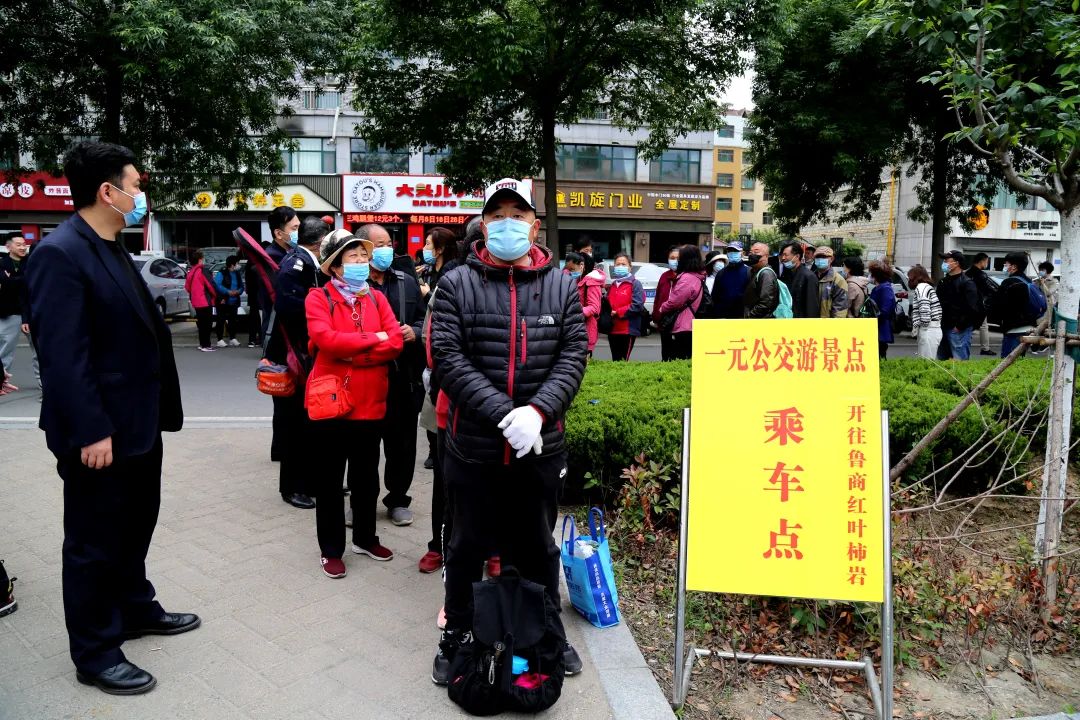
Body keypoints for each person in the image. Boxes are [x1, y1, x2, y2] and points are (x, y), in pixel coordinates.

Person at [26, 140, 195, 695]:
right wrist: (92, 429)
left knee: (135, 524)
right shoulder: (60, 253)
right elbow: (63, 356)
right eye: (136, 184)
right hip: (99, 433)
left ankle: (135, 607)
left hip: (137, 424)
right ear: (108, 191)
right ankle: (95, 651)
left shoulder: (110, 246)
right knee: (93, 541)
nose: (141, 194)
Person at [430, 178, 588, 685]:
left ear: (534, 226)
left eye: (517, 215)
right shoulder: (456, 283)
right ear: (483, 224)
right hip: (473, 447)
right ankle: (456, 635)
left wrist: (537, 412)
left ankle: (547, 636)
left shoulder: (562, 285)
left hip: (540, 448)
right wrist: (506, 415)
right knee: (465, 548)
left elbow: (573, 355)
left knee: (538, 548)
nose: (507, 224)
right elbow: (447, 358)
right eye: (497, 215)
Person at [306, 232, 404, 578]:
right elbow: (326, 340)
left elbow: (395, 342)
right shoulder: (318, 298)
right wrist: (373, 341)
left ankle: (365, 538)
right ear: (335, 266)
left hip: (370, 402)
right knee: (330, 481)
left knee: (366, 478)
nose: (361, 262)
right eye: (353, 257)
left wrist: (354, 354)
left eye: (364, 255)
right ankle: (331, 549)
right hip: (331, 403)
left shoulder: (377, 298)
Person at [419, 219, 479, 577]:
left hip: (501, 412)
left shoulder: (526, 285)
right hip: (447, 401)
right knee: (447, 482)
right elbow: (433, 345)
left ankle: (492, 550)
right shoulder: (451, 284)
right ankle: (439, 546)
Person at [359, 223, 426, 527]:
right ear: (363, 249)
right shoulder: (353, 285)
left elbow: (425, 319)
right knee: (364, 447)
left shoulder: (406, 282)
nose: (387, 250)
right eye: (380, 245)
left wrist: (416, 331)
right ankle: (361, 502)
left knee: (402, 445)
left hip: (403, 379)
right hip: (365, 378)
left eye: (389, 243)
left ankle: (398, 499)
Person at [271, 215, 330, 510]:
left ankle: (312, 481)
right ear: (320, 242)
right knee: (295, 424)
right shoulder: (296, 264)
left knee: (310, 423)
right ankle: (292, 487)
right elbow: (288, 308)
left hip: (307, 354)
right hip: (295, 354)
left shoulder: (309, 262)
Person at [264, 206, 300, 463]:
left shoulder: (286, 255)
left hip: (284, 335)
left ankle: (281, 448)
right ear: (279, 233)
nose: (298, 232)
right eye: (294, 228)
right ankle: (282, 450)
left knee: (286, 400)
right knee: (285, 399)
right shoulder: (274, 259)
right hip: (281, 337)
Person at [990, 252, 1042, 357]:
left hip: (1013, 328)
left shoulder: (1009, 282)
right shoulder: (1028, 281)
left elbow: (998, 305)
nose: (1005, 266)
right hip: (1029, 326)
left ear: (1014, 266)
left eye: (1006, 264)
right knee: (1019, 359)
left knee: (1009, 359)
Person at [658, 245, 706, 360]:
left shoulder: (686, 279)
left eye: (680, 258)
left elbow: (675, 302)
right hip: (689, 323)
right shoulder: (697, 276)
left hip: (682, 325)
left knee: (677, 359)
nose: (677, 261)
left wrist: (662, 307)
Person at [0, 235, 33, 391]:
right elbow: (5, 283)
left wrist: (11, 280)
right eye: (18, 244)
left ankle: (45, 385)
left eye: (24, 244)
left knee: (40, 351)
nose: (22, 247)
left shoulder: (32, 262)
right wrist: (22, 279)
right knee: (5, 349)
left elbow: (31, 282)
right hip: (10, 312)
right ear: (8, 247)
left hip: (31, 312)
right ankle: (1, 380)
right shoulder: (2, 263)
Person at [936, 250, 981, 360]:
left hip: (959, 329)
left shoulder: (967, 283)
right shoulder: (943, 282)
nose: (944, 263)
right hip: (942, 327)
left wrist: (960, 326)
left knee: (959, 360)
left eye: (946, 260)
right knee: (942, 361)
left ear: (956, 263)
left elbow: (972, 308)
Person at [606, 252, 646, 361]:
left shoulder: (635, 284)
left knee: (623, 360)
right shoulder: (612, 285)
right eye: (617, 264)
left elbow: (637, 305)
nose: (620, 267)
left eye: (623, 264)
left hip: (627, 330)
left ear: (630, 267)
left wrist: (618, 312)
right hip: (612, 329)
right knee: (615, 360)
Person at [564, 251, 604, 357]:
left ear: (581, 266)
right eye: (568, 269)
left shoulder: (592, 282)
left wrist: (574, 312)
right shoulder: (576, 279)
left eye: (572, 269)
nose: (569, 272)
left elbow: (594, 307)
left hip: (586, 330)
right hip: (573, 329)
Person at [184, 250, 218, 352]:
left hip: (196, 301)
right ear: (200, 260)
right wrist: (216, 295)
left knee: (201, 324)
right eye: (202, 258)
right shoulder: (203, 270)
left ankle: (202, 344)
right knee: (207, 324)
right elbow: (210, 285)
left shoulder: (191, 271)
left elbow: (187, 287)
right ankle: (206, 345)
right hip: (205, 300)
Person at [651, 245, 681, 360]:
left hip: (680, 320)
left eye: (678, 258)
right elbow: (658, 297)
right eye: (672, 258)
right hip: (664, 320)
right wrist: (656, 316)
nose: (675, 261)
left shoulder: (686, 276)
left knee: (678, 353)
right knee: (666, 352)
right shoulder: (664, 276)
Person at [966, 252, 997, 356]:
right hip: (978, 305)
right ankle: (985, 348)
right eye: (987, 261)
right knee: (983, 326)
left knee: (968, 325)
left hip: (967, 304)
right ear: (982, 261)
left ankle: (965, 344)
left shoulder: (967, 273)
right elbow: (988, 290)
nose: (986, 264)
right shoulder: (981, 275)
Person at [907, 265, 942, 359]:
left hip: (928, 330)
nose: (909, 280)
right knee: (929, 360)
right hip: (932, 328)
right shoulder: (926, 287)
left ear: (915, 277)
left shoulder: (921, 288)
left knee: (926, 361)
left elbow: (924, 309)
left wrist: (922, 327)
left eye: (910, 277)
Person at [711, 240, 750, 319]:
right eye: (730, 250)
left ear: (742, 253)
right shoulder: (721, 273)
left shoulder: (749, 272)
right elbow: (715, 296)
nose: (732, 253)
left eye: (735, 251)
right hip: (724, 317)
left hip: (743, 317)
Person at [779, 241, 818, 319]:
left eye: (786, 255)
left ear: (797, 256)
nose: (783, 258)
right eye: (782, 255)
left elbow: (811, 307)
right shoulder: (786, 274)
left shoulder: (808, 276)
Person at [213, 255, 244, 347]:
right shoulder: (222, 273)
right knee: (221, 320)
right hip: (223, 300)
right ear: (232, 264)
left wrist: (238, 291)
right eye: (237, 263)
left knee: (233, 320)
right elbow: (217, 285)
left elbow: (241, 286)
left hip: (234, 300)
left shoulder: (237, 274)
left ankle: (232, 338)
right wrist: (227, 292)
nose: (238, 265)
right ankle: (219, 339)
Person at [867, 260, 896, 358]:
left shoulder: (885, 288)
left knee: (879, 355)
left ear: (875, 275)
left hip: (880, 329)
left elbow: (885, 310)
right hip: (877, 328)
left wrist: (874, 318)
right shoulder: (879, 287)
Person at [743, 242, 780, 318]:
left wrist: (749, 316)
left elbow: (765, 303)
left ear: (766, 256)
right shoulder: (754, 271)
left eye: (756, 252)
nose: (752, 255)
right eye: (751, 252)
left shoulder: (766, 274)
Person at [812, 247, 849, 317]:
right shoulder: (810, 277)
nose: (820, 259)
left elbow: (840, 308)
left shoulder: (838, 280)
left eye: (824, 257)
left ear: (831, 259)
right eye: (818, 257)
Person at [244, 259, 262, 348]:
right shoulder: (257, 264)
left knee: (254, 317)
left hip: (252, 296)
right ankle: (259, 338)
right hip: (258, 295)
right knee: (259, 318)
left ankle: (252, 339)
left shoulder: (249, 264)